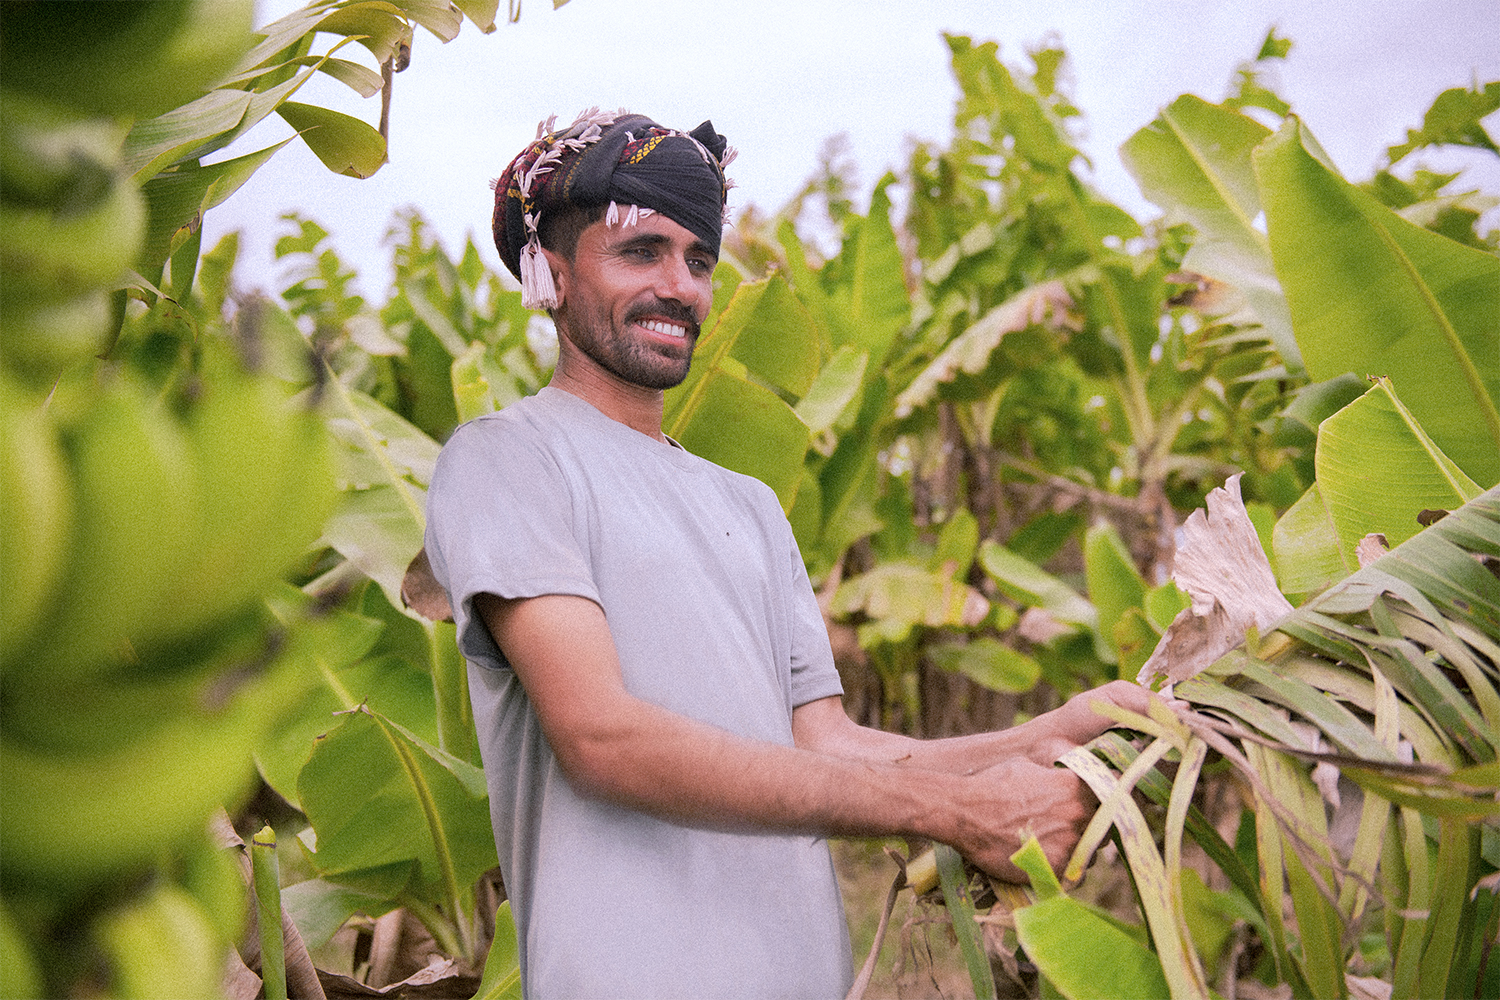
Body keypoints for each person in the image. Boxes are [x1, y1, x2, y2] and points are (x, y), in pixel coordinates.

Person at [424, 107, 1154, 998]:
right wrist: (956, 811)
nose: (681, 286)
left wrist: (1045, 734)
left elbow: (827, 745)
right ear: (554, 273)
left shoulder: (752, 507)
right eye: (641, 251)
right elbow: (602, 738)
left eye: (699, 260)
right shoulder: (510, 460)